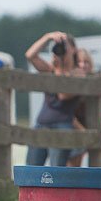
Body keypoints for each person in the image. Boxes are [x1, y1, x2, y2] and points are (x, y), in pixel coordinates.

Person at [24, 31, 81, 167]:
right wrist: (47, 37)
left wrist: (61, 66)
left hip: (62, 126)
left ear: (73, 49)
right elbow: (30, 55)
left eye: (64, 46)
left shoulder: (78, 73)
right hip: (41, 124)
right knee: (32, 170)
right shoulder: (51, 69)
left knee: (55, 172)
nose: (60, 49)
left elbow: (63, 94)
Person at [65, 48, 94, 167]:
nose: (83, 65)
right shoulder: (71, 85)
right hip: (72, 129)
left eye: (86, 62)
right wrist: (84, 132)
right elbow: (67, 113)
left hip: (83, 129)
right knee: (71, 167)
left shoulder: (93, 82)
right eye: (79, 62)